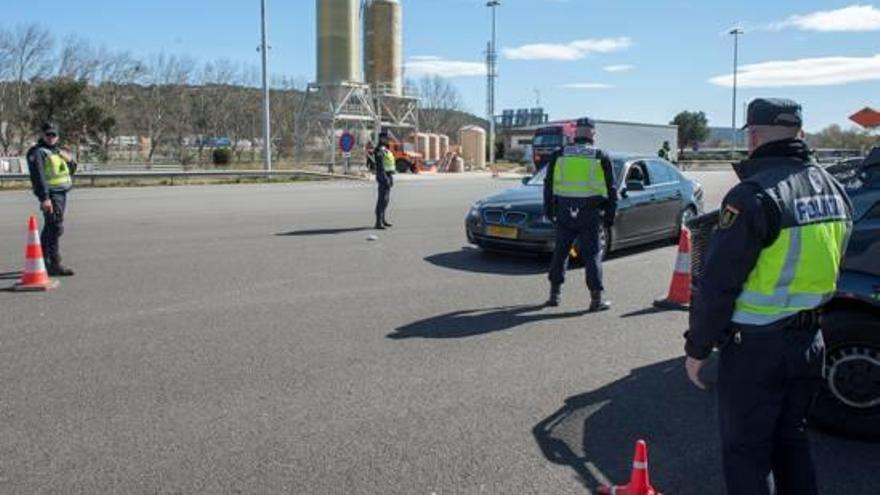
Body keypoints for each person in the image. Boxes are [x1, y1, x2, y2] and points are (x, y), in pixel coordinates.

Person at [684, 98, 853, 495]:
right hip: (812, 341)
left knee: (746, 453)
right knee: (792, 442)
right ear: (802, 134)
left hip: (757, 349)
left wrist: (698, 349)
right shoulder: (835, 188)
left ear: (754, 137)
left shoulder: (752, 195)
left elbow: (718, 285)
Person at [543, 118, 616, 310]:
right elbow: (612, 189)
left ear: (575, 133)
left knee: (560, 252)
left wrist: (549, 210)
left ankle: (554, 296)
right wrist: (610, 215)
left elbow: (548, 185)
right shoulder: (600, 156)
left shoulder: (559, 154)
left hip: (564, 211)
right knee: (592, 255)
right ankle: (596, 299)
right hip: (589, 213)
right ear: (592, 134)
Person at [26, 122, 77, 276]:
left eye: (53, 135)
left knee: (51, 226)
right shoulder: (38, 152)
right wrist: (45, 198)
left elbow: (70, 171)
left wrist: (70, 161)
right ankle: (54, 263)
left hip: (61, 194)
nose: (51, 137)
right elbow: (38, 177)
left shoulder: (57, 151)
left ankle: (42, 260)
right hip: (51, 195)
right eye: (48, 134)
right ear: (42, 135)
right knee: (55, 227)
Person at [374, 135, 395, 230]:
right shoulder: (379, 150)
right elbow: (380, 166)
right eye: (385, 138)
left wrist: (390, 178)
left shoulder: (386, 149)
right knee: (381, 200)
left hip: (389, 175)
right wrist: (385, 178)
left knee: (386, 200)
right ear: (381, 139)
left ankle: (383, 219)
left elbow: (390, 163)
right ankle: (378, 222)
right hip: (383, 176)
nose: (388, 140)